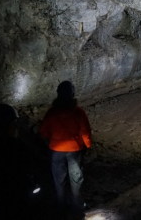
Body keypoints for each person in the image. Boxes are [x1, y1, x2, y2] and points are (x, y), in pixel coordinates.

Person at [39, 81, 92, 217]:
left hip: (56, 151)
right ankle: (77, 207)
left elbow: (44, 132)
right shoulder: (79, 112)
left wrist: (54, 138)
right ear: (72, 94)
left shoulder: (52, 113)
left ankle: (60, 207)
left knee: (59, 180)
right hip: (74, 150)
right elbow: (86, 132)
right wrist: (88, 145)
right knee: (76, 180)